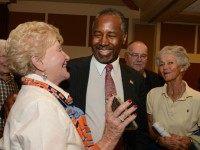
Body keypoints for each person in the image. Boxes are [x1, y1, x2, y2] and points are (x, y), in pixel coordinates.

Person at [3, 21, 136, 150]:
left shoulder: (42, 99)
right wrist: (110, 137)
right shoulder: (40, 106)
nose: (67, 56)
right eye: (59, 50)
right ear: (38, 62)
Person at [60, 8, 150, 149]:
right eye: (97, 34)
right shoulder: (69, 71)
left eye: (111, 35)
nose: (103, 42)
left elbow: (141, 133)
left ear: (124, 38)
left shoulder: (136, 79)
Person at [147, 45, 200, 150]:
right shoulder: (152, 95)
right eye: (161, 64)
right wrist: (159, 140)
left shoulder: (197, 98)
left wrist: (190, 141)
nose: (164, 67)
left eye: (170, 63)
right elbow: (151, 129)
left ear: (182, 67)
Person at [0, 39, 18, 138]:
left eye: (10, 57)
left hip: (10, 136)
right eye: (3, 56)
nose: (7, 61)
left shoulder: (18, 80)